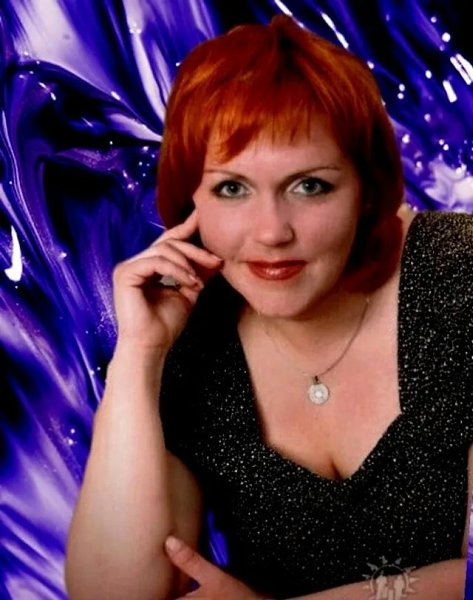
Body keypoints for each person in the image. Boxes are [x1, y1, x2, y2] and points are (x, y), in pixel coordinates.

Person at [64, 14, 473, 600]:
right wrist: (139, 356)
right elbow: (115, 593)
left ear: (366, 189)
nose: (272, 232)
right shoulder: (189, 334)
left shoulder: (459, 274)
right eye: (231, 188)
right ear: (191, 199)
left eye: (310, 186)